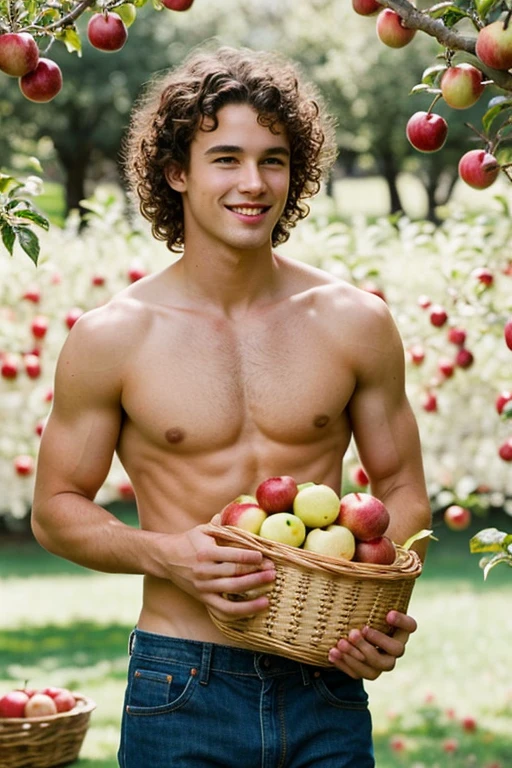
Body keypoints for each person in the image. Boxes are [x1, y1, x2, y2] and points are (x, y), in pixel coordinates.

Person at [32, 45, 431, 768]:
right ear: (177, 172)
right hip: (182, 680)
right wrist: (169, 555)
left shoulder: (353, 321)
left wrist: (376, 608)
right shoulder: (113, 337)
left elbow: (402, 488)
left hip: (327, 682)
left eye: (273, 160)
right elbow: (56, 508)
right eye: (226, 159)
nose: (254, 183)